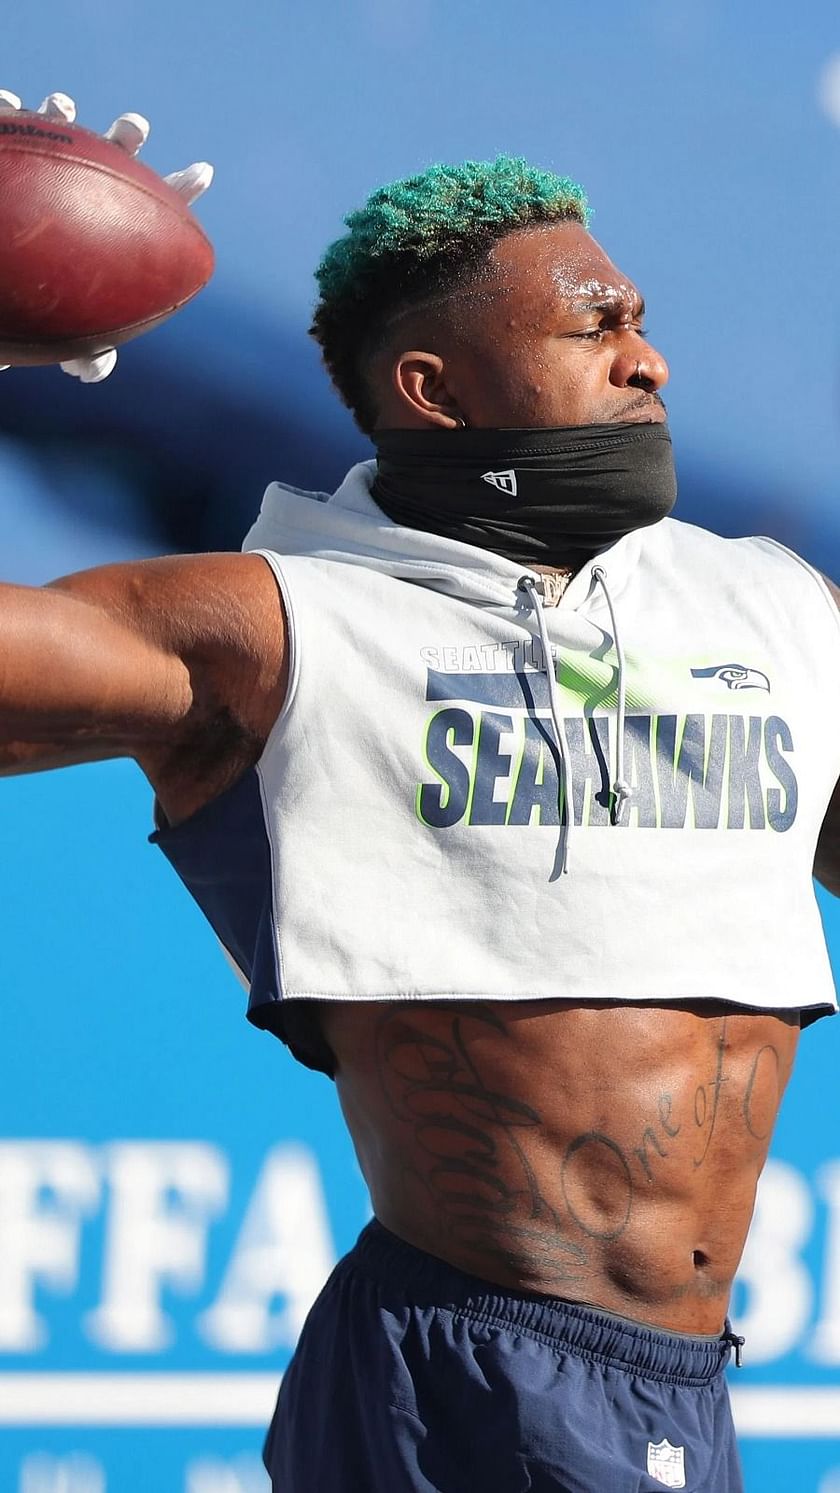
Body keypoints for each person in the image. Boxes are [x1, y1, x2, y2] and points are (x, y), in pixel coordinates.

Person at [3, 93, 840, 1493]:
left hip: (686, 1379)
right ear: (436, 392)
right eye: (596, 325)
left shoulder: (774, 611)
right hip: (468, 1369)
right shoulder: (280, 627)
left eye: (640, 318)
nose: (651, 359)